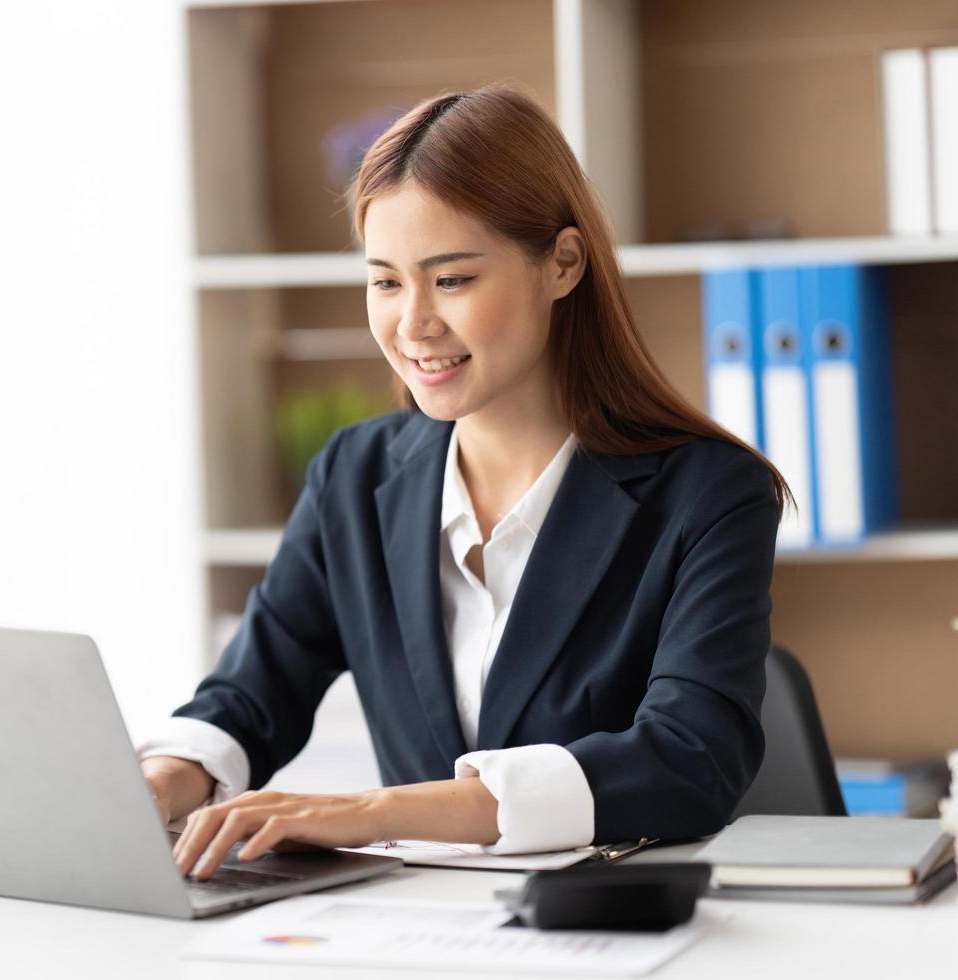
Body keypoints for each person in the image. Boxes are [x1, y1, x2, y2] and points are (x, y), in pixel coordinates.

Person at [137, 85, 792, 882]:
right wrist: (167, 779)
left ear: (561, 263)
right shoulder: (356, 473)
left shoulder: (707, 492)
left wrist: (372, 812)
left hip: (615, 926)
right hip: (413, 929)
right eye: (384, 282)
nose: (412, 324)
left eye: (450, 280)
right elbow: (251, 693)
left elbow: (689, 760)